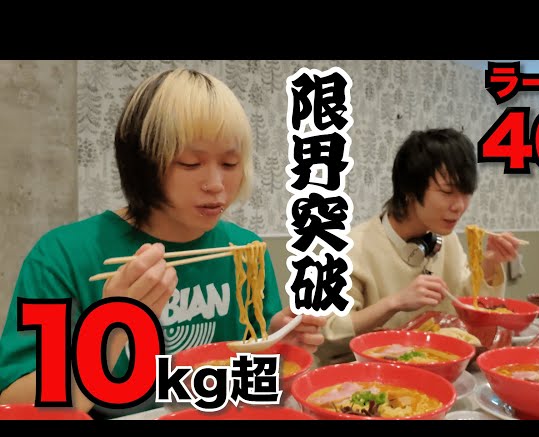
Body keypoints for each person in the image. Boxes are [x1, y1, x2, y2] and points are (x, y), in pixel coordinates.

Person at [0, 68, 326, 418]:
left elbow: (253, 393)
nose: (216, 184)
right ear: (143, 163)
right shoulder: (64, 256)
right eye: (190, 163)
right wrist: (111, 327)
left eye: (230, 163)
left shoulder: (245, 251)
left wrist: (278, 354)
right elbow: (19, 405)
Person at [316, 127, 521, 365]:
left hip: (436, 369)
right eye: (447, 192)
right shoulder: (349, 248)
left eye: (466, 193)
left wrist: (490, 264)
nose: (459, 206)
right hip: (365, 375)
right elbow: (327, 332)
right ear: (409, 190)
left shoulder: (445, 238)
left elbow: (465, 308)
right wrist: (395, 302)